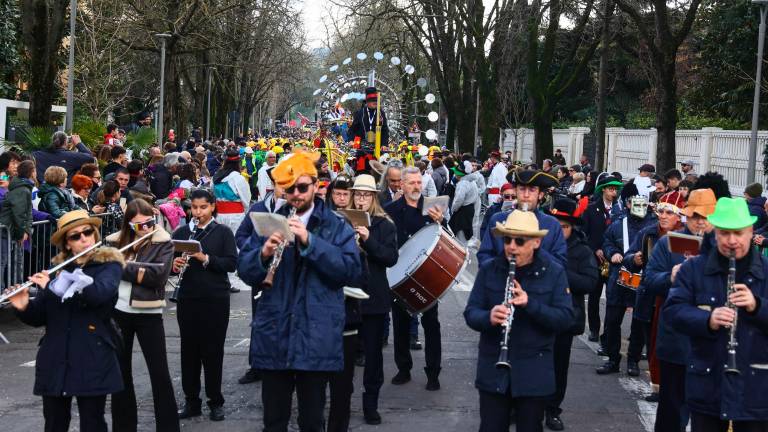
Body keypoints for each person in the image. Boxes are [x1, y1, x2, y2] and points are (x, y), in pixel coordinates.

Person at [237, 151, 361, 432]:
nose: (296, 194)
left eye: (302, 187)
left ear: (317, 186)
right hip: (275, 335)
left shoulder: (336, 225)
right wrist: (264, 253)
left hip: (315, 338)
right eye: (289, 189)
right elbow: (245, 270)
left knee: (312, 421)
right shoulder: (269, 221)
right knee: (274, 421)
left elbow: (349, 271)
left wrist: (309, 241)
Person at [4, 209, 123, 432]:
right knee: (55, 423)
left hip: (92, 354)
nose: (84, 239)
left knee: (93, 423)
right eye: (75, 236)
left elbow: (98, 295)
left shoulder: (109, 267)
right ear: (67, 244)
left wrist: (53, 285)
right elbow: (41, 316)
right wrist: (23, 306)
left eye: (87, 232)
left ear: (95, 234)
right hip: (56, 357)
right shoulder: (57, 271)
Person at [464, 210, 574, 432]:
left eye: (519, 241)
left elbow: (566, 318)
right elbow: (471, 312)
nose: (511, 247)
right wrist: (489, 316)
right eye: (507, 239)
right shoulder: (490, 269)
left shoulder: (553, 272)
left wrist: (530, 304)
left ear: (536, 242)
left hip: (533, 370)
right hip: (494, 369)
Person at [664, 197, 768, 431]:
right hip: (708, 383)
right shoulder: (694, 268)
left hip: (757, 389)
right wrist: (707, 320)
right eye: (724, 233)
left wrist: (757, 306)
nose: (732, 241)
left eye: (738, 233)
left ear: (751, 232)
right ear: (715, 232)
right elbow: (672, 312)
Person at [643, 189, 716, 432]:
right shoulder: (669, 242)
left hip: (711, 345)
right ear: (686, 216)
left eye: (706, 217)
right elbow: (649, 280)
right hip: (676, 342)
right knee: (672, 414)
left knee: (709, 417)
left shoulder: (722, 247)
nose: (700, 221)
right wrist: (670, 277)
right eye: (695, 216)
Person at [106, 199, 179, 432]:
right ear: (128, 225)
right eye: (138, 226)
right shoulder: (115, 242)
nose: (145, 229)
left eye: (149, 223)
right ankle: (124, 427)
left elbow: (156, 276)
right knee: (121, 374)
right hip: (119, 312)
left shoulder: (163, 241)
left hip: (148, 312)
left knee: (159, 374)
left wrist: (120, 266)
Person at [172, 189, 238, 422]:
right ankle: (192, 401)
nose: (197, 212)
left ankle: (215, 401)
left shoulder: (223, 232)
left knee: (213, 351)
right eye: (194, 207)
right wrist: (176, 264)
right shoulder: (182, 232)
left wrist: (205, 258)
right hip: (188, 298)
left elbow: (231, 263)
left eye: (203, 207)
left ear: (212, 207)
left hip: (215, 298)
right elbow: (171, 262)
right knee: (189, 351)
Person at [384, 166, 446, 390]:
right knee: (400, 324)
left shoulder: (432, 209)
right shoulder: (390, 210)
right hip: (399, 276)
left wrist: (441, 222)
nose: (416, 187)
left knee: (431, 324)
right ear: (401, 184)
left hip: (427, 275)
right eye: (411, 183)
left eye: (419, 182)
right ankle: (403, 369)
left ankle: (433, 372)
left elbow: (444, 239)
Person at [344, 174, 399, 425]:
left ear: (374, 197)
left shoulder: (385, 224)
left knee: (374, 356)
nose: (362, 198)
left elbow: (390, 258)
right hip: (347, 297)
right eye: (358, 194)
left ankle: (370, 404)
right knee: (344, 355)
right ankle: (342, 400)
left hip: (374, 297)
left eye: (366, 195)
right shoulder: (342, 220)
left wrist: (368, 239)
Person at [623, 191, 684, 400]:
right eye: (661, 211)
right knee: (648, 341)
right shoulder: (648, 233)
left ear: (678, 216)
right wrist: (634, 259)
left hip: (671, 298)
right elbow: (628, 256)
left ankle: (668, 386)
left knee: (668, 346)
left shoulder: (685, 238)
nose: (664, 216)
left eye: (669, 212)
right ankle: (654, 382)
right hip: (648, 294)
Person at [546, 198, 599, 430]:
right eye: (555, 225)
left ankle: (553, 410)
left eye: (564, 227)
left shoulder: (582, 250)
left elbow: (590, 282)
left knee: (558, 366)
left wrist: (560, 273)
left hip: (565, 317)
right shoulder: (540, 244)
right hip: (538, 314)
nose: (560, 231)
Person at [596, 184, 656, 375]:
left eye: (643, 203)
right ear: (628, 204)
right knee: (613, 320)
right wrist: (612, 253)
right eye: (635, 203)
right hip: (619, 277)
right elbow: (607, 242)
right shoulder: (618, 223)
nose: (639, 207)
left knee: (639, 322)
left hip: (642, 279)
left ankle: (633, 360)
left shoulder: (652, 227)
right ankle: (613, 359)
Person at [478, 170, 567, 269]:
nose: (526, 195)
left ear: (540, 195)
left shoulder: (552, 224)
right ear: (516, 191)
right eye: (522, 189)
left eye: (532, 190)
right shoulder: (498, 220)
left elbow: (559, 263)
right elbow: (484, 256)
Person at [581, 175, 624, 342]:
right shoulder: (591, 209)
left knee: (613, 298)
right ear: (603, 190)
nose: (614, 192)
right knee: (594, 297)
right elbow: (584, 234)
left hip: (613, 260)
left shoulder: (619, 211)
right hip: (596, 259)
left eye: (616, 189)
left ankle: (608, 333)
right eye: (611, 188)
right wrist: (595, 249)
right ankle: (593, 329)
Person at [0, 160, 36, 284]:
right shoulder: (21, 189)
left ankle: (17, 289)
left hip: (12, 230)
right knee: (3, 262)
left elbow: (27, 212)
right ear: (31, 172)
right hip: (7, 230)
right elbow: (19, 214)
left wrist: (25, 230)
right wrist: (22, 232)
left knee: (16, 261)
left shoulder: (24, 187)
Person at [212, 148, 251, 234]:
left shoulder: (215, 177)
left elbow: (213, 195)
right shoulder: (239, 179)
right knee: (235, 244)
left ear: (224, 162)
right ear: (238, 163)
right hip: (236, 218)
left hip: (218, 217)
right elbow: (246, 201)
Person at [450, 164, 479, 241]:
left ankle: (463, 251)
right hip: (469, 209)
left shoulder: (463, 183)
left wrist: (453, 209)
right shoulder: (471, 181)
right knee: (466, 234)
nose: (454, 174)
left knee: (461, 236)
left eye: (456, 172)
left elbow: (459, 199)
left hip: (463, 211)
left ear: (459, 174)